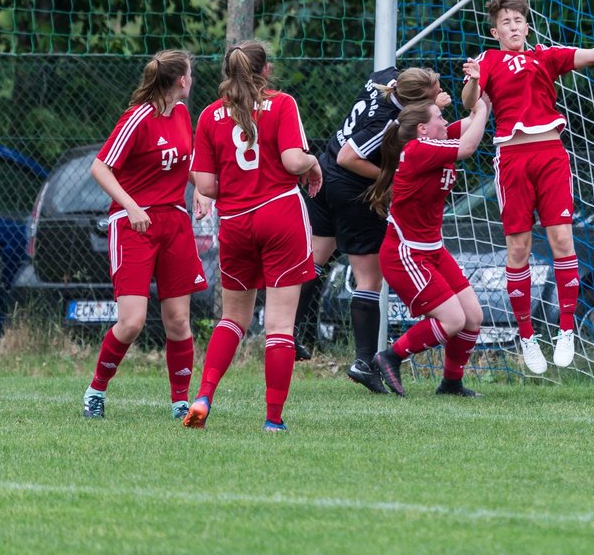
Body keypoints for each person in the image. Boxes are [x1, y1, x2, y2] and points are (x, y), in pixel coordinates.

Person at [461, 0, 594, 373]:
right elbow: (472, 101)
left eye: (518, 21)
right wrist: (470, 80)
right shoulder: (487, 61)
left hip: (550, 156)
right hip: (512, 160)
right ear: (495, 31)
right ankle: (528, 337)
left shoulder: (545, 56)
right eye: (506, 22)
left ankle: (567, 330)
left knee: (562, 241)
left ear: (526, 26)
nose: (513, 27)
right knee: (518, 250)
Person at [184, 41, 322, 431]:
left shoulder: (211, 115)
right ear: (266, 70)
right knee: (279, 325)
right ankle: (273, 420)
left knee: (233, 318)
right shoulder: (282, 103)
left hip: (237, 223)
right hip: (280, 214)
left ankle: (204, 395)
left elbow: (206, 186)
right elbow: (294, 160)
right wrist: (313, 164)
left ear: (228, 72)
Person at [300, 66, 451, 393]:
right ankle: (365, 362)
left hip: (323, 172)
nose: (440, 96)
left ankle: (294, 335)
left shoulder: (385, 76)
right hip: (346, 183)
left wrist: (430, 97)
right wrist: (393, 178)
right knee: (370, 278)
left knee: (318, 256)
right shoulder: (384, 122)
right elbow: (348, 156)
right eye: (434, 95)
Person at [82, 50, 209, 420]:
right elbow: (100, 167)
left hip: (174, 224)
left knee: (179, 320)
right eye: (190, 73)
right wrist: (132, 205)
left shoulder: (183, 114)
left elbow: (186, 163)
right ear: (181, 80)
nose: (192, 79)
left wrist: (199, 188)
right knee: (132, 321)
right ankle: (95, 392)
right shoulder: (138, 117)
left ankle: (180, 402)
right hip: (134, 225)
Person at [367, 94, 492, 397]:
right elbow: (469, 145)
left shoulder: (434, 141)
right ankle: (390, 356)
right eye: (439, 117)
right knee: (453, 319)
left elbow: (471, 122)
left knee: (473, 317)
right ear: (423, 129)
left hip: (431, 249)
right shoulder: (418, 148)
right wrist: (483, 108)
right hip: (405, 252)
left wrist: (480, 93)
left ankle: (451, 383)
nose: (445, 121)